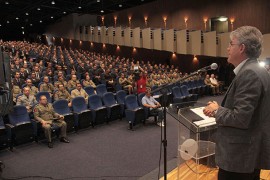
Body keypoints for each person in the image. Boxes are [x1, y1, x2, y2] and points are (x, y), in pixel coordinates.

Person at [203, 26, 270, 180]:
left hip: (239, 158)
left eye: (230, 44)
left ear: (241, 48)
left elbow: (240, 118)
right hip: (247, 154)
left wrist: (217, 110)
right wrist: (220, 108)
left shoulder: (249, 74)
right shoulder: (257, 70)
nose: (227, 48)